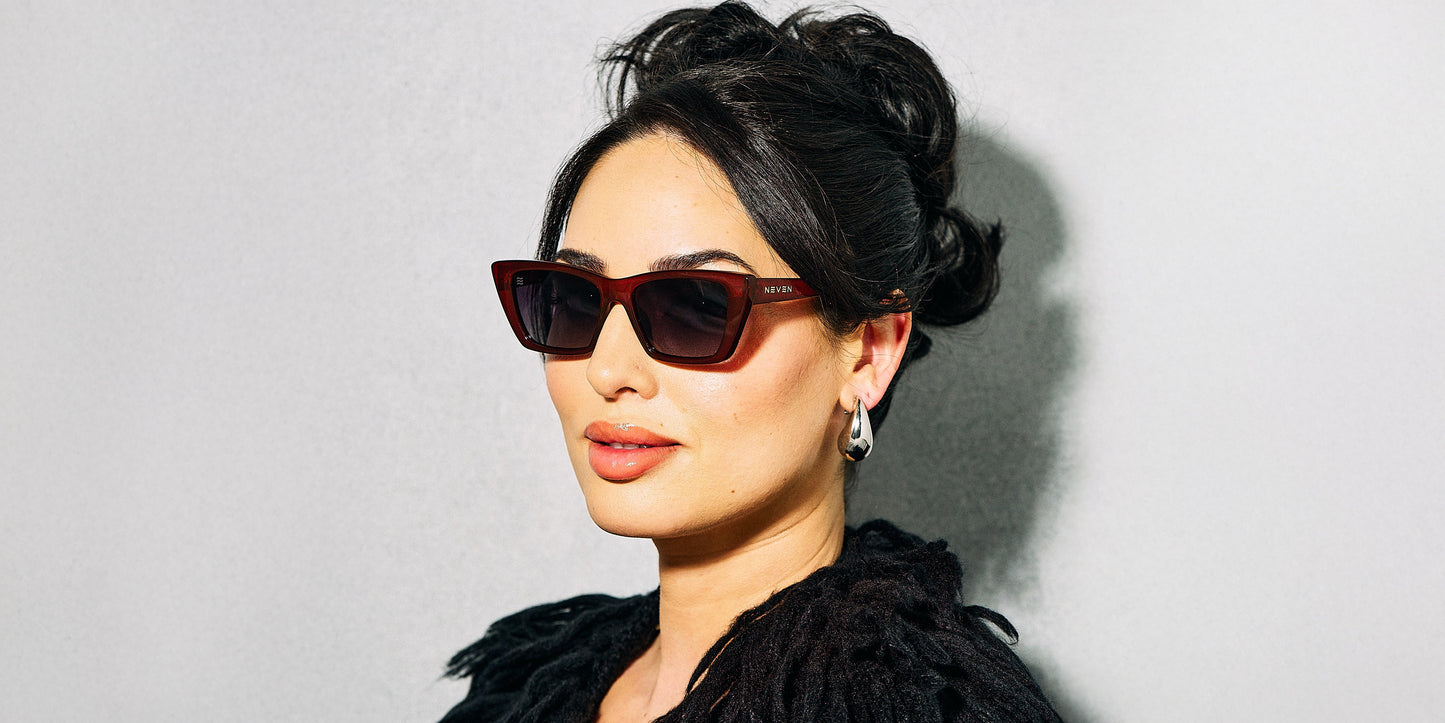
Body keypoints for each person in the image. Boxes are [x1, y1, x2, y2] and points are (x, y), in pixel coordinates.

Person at [441, 2, 1062, 720]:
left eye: (696, 305)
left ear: (868, 351)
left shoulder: (912, 707)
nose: (608, 369)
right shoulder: (526, 685)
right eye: (573, 299)